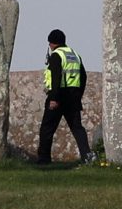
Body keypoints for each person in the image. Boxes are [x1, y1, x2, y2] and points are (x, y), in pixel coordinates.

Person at [37, 29, 90, 166]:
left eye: (49, 43)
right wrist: (79, 95)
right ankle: (87, 158)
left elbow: (56, 77)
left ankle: (43, 160)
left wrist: (54, 98)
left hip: (59, 96)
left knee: (47, 128)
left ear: (53, 43)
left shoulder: (56, 55)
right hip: (73, 98)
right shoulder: (75, 55)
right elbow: (83, 77)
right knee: (77, 128)